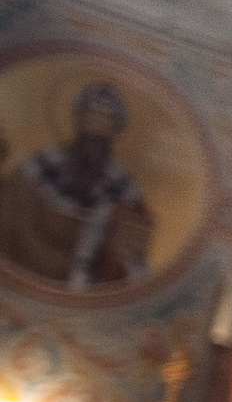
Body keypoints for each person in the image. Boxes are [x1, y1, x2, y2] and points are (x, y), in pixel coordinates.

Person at [0, 80, 156, 288]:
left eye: (105, 122)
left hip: (89, 292)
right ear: (78, 121)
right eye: (91, 118)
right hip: (27, 276)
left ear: (114, 131)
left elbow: (132, 260)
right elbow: (9, 221)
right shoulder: (39, 166)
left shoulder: (124, 189)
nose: (96, 129)